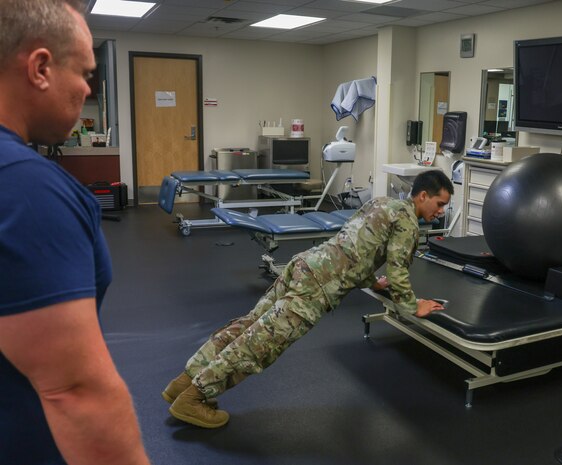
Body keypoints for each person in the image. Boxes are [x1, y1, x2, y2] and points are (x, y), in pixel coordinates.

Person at [163, 170, 454, 428]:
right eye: (439, 204)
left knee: (248, 325)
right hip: (317, 287)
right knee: (259, 344)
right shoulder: (407, 221)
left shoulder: (382, 203)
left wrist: (372, 282)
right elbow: (398, 268)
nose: (440, 212)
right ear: (423, 196)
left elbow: (353, 246)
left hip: (305, 264)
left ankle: (185, 382)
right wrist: (412, 305)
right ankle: (195, 398)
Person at [0, 1, 151, 464]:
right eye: (85, 74)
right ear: (41, 67)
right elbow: (75, 391)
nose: (88, 88)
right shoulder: (25, 187)